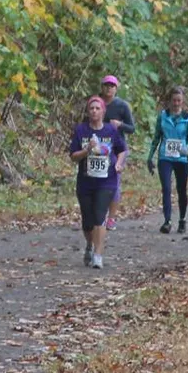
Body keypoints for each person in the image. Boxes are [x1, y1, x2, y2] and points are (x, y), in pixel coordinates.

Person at [69, 95, 127, 269]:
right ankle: (89, 244)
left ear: (103, 111)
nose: (94, 111)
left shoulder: (110, 131)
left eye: (97, 108)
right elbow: (73, 156)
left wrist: (118, 163)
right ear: (88, 112)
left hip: (106, 181)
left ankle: (98, 255)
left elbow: (122, 150)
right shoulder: (81, 130)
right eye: (91, 108)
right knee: (87, 222)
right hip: (86, 182)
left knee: (100, 217)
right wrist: (87, 149)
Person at [146, 86, 188, 234]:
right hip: (165, 157)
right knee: (166, 189)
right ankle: (167, 221)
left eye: (179, 100)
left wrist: (187, 147)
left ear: (183, 101)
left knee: (182, 189)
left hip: (182, 158)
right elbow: (156, 137)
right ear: (169, 101)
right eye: (174, 100)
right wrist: (150, 157)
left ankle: (182, 220)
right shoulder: (162, 116)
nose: (176, 103)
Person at [99, 74, 137, 229]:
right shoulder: (96, 103)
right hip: (99, 149)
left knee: (114, 184)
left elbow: (132, 128)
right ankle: (99, 215)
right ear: (102, 87)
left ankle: (111, 219)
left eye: (112, 86)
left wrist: (120, 124)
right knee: (98, 182)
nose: (109, 88)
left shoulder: (122, 106)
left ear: (116, 88)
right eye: (106, 85)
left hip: (118, 149)